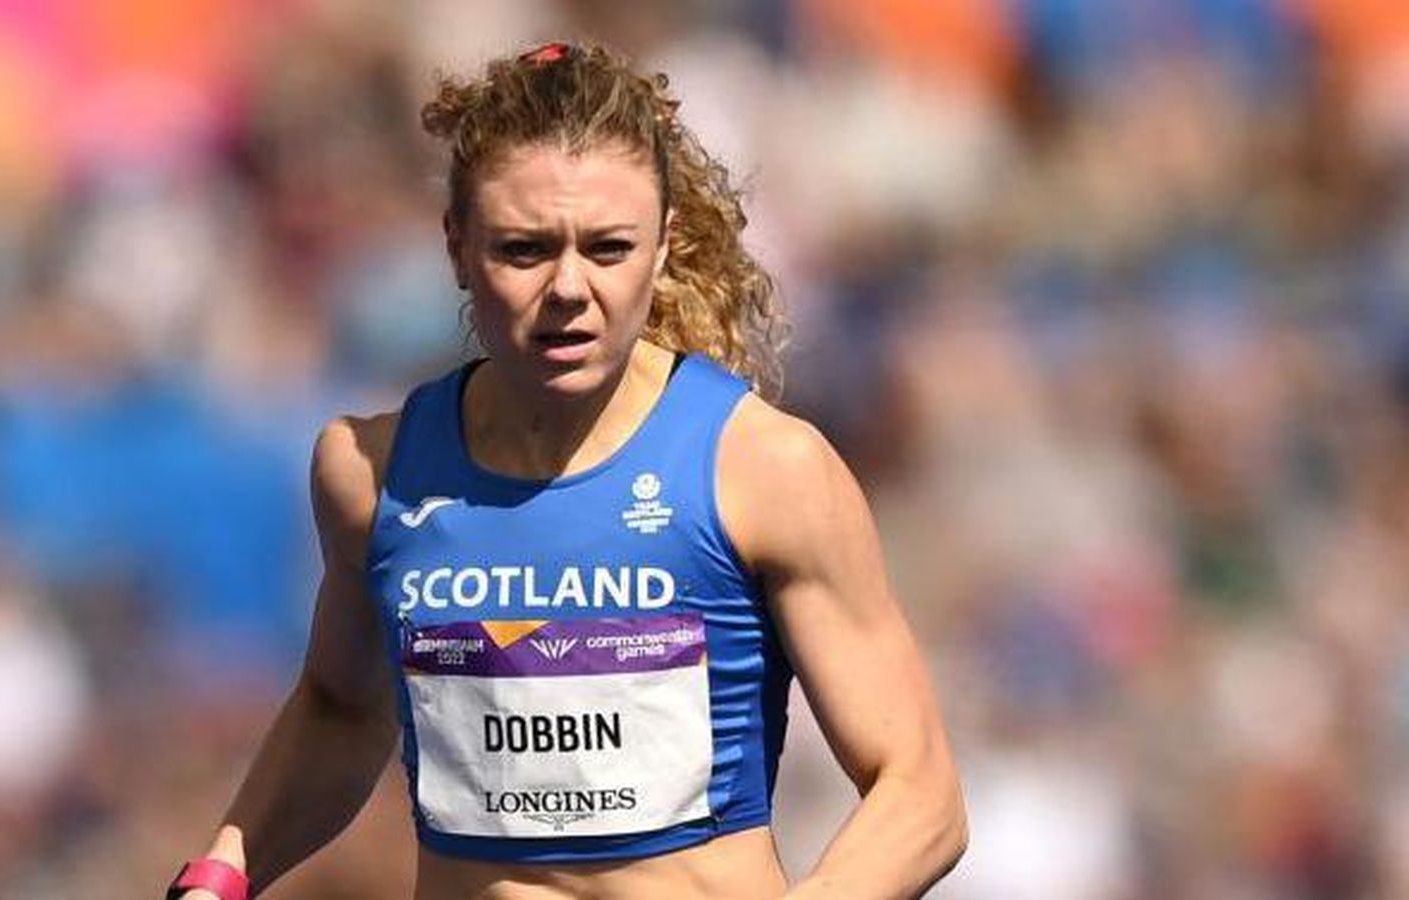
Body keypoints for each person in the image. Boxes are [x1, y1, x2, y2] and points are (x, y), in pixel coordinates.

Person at [167, 41, 967, 900]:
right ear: (457, 247)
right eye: (524, 249)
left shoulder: (763, 467)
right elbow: (340, 708)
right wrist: (220, 875)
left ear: (662, 249)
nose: (569, 288)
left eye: (609, 248)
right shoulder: (371, 473)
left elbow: (919, 794)